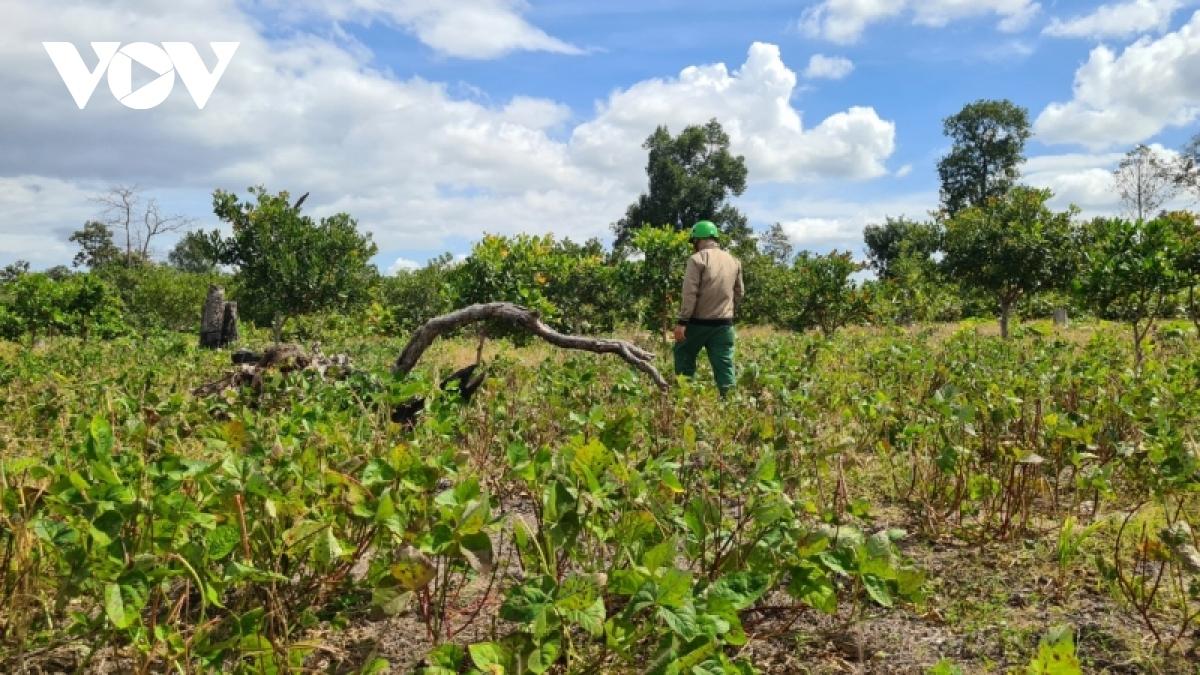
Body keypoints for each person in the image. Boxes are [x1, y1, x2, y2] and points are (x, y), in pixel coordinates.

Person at [673, 220, 744, 394]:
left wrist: (682, 322)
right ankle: (730, 403)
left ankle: (685, 395)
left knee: (683, 353)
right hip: (724, 325)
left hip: (698, 323)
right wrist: (727, 311)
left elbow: (690, 293)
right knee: (724, 364)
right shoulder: (734, 261)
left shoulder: (697, 259)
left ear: (698, 240)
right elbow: (739, 292)